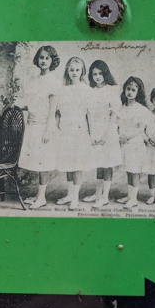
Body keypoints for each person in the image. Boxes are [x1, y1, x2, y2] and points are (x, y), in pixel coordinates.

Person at [16, 46, 60, 209]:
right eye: (41, 57)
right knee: (35, 160)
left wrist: (48, 130)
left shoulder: (54, 82)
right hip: (32, 125)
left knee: (44, 162)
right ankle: (37, 195)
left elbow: (52, 109)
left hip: (44, 127)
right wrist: (19, 107)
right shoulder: (34, 81)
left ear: (52, 61)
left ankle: (41, 197)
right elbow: (32, 104)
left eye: (47, 58)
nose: (43, 60)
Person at [54, 57, 94, 210]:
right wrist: (57, 127)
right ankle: (70, 194)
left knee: (77, 165)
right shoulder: (62, 90)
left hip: (79, 131)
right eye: (71, 70)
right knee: (68, 164)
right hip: (65, 131)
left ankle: (75, 198)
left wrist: (91, 134)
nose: (74, 73)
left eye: (77, 70)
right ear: (67, 71)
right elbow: (57, 112)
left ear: (82, 71)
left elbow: (89, 114)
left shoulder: (86, 90)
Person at [82, 60, 122, 208]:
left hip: (108, 129)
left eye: (100, 73)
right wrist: (92, 134)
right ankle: (98, 194)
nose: (98, 77)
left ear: (106, 74)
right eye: (94, 74)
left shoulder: (112, 90)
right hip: (96, 129)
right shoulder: (91, 91)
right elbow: (89, 114)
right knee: (98, 162)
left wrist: (106, 135)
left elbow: (114, 114)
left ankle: (105, 196)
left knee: (107, 164)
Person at [116, 76, 150, 209]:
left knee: (134, 170)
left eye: (133, 90)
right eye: (128, 89)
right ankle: (130, 195)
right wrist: (119, 136)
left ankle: (133, 199)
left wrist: (127, 136)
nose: (130, 92)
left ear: (138, 92)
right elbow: (118, 125)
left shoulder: (140, 109)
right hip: (124, 143)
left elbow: (141, 129)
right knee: (128, 170)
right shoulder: (122, 108)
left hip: (135, 143)